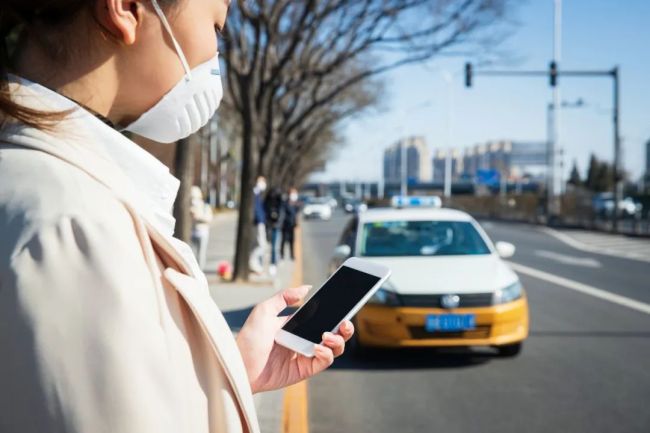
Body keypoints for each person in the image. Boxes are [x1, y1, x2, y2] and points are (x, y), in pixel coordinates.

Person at [0, 2, 354, 433]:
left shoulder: (43, 189)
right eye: (217, 28)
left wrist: (235, 372)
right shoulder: (81, 225)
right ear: (127, 9)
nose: (215, 57)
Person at [190, 185, 213, 270]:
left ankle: (200, 271)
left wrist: (198, 217)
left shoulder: (205, 207)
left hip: (203, 233)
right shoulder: (189, 206)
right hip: (192, 233)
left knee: (201, 255)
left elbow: (209, 218)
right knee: (191, 254)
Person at [264, 186, 285, 276]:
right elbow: (265, 212)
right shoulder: (267, 202)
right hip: (269, 226)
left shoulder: (280, 203)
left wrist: (277, 223)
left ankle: (273, 263)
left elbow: (282, 214)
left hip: (276, 226)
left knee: (274, 246)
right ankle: (272, 262)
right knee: (270, 245)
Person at [249, 175, 267, 274]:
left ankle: (254, 264)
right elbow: (255, 210)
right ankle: (252, 261)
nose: (264, 183)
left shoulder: (259, 194)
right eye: (262, 181)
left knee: (257, 244)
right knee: (262, 245)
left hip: (260, 221)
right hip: (257, 222)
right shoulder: (254, 193)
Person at [282, 188, 301, 261]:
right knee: (283, 240)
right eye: (293, 193)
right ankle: (282, 254)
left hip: (292, 224)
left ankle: (292, 255)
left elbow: (297, 212)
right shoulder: (286, 203)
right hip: (285, 224)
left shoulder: (296, 204)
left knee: (292, 241)